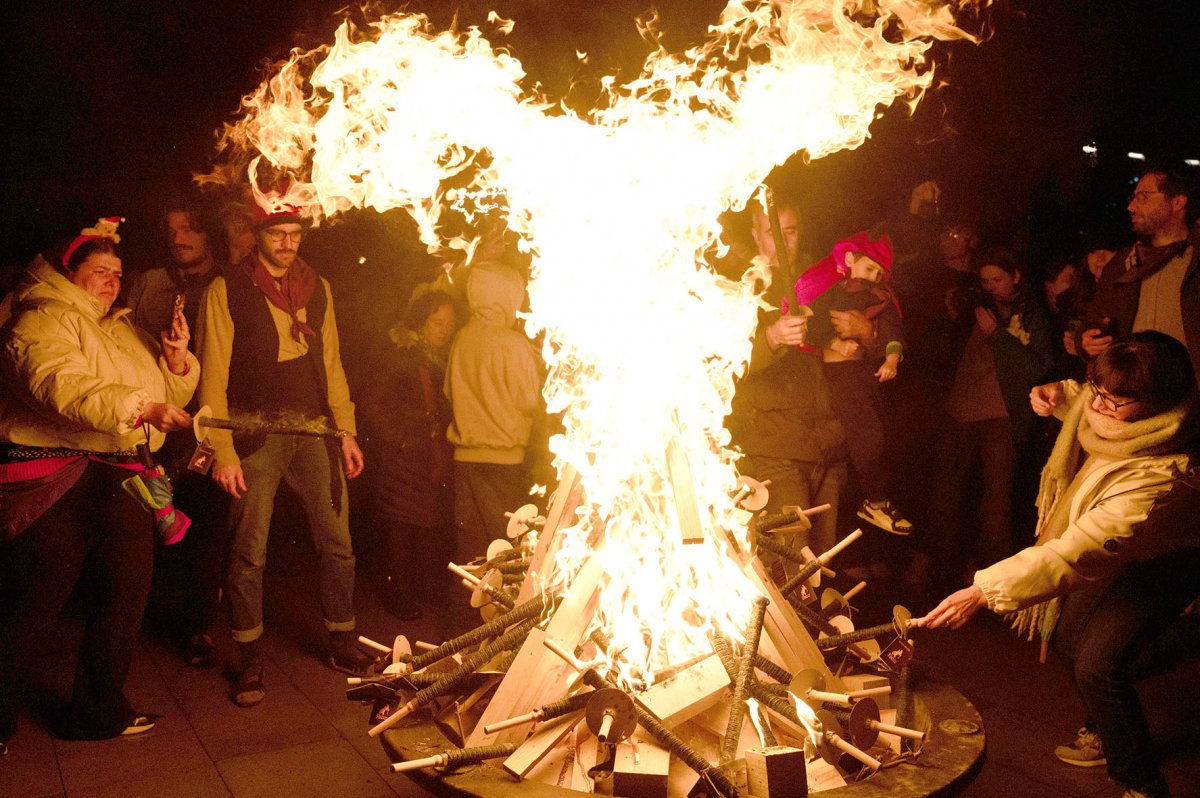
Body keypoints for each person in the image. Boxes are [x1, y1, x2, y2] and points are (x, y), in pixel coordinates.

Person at [913, 331, 1200, 798]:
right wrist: (1060, 394)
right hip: (1104, 544)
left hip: (1164, 556)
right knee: (1068, 637)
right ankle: (1109, 722)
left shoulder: (1165, 472)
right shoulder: (1118, 414)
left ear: (1159, 403)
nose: (1100, 407)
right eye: (1098, 392)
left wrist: (984, 590)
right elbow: (1090, 399)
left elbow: (1076, 551)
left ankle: (1142, 782)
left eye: (1116, 402)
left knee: (1099, 665)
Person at [0, 219, 197, 745]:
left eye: (117, 273)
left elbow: (156, 394)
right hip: (60, 474)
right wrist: (142, 406)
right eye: (99, 271)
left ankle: (96, 709)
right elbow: (62, 386)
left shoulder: (120, 326)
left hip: (122, 474)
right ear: (70, 274)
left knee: (128, 590)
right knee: (38, 602)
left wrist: (176, 362)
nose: (111, 282)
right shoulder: (39, 320)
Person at [196, 200, 373, 707]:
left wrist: (347, 432)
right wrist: (222, 450)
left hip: (315, 431)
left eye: (295, 234)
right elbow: (213, 374)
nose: (287, 243)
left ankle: (341, 639)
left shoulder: (318, 288)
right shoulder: (227, 288)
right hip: (254, 432)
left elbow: (332, 365)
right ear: (258, 236)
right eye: (278, 235)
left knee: (338, 540)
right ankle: (249, 655)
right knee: (248, 547)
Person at [123, 193, 229, 666]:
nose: (179, 239)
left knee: (205, 528)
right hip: (158, 426)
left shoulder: (227, 284)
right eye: (171, 231)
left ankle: (197, 628)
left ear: (208, 233)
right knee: (156, 521)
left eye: (188, 228)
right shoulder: (149, 283)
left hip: (207, 430)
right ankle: (147, 618)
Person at [916, 248, 1054, 589]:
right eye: (985, 280)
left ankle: (989, 576)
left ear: (1016, 277)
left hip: (1001, 416)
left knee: (996, 500)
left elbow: (1037, 367)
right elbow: (943, 349)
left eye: (998, 280)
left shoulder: (1033, 315)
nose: (991, 287)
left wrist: (997, 335)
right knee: (944, 491)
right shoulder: (974, 307)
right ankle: (933, 566)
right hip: (958, 410)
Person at [727, 196, 848, 555]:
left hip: (827, 450)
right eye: (771, 232)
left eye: (791, 231)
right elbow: (722, 365)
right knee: (791, 570)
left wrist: (865, 334)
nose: (783, 241)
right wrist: (770, 337)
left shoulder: (822, 281)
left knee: (820, 568)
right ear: (755, 234)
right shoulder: (738, 289)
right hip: (774, 452)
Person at [794, 230, 911, 534]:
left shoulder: (879, 295)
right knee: (867, 436)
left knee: (876, 436)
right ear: (849, 259)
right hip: (835, 378)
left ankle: (877, 500)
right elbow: (814, 323)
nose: (874, 277)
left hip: (860, 373)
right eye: (869, 269)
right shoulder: (831, 289)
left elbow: (891, 330)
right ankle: (875, 500)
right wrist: (835, 342)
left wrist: (890, 356)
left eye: (879, 272)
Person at [359, 288, 457, 620]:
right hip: (403, 453)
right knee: (401, 525)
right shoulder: (402, 355)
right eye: (437, 322)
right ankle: (399, 596)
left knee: (422, 523)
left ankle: (417, 590)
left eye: (449, 323)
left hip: (426, 452)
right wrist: (398, 437)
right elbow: (372, 402)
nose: (443, 330)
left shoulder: (438, 358)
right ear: (421, 321)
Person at [445, 239, 542, 565]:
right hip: (505, 463)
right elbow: (530, 401)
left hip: (465, 460)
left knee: (469, 549)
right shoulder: (514, 345)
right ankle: (499, 616)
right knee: (505, 549)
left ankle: (464, 613)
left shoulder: (462, 338)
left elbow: (449, 392)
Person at [1081, 164, 1199, 377]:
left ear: (1178, 202)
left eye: (1143, 197)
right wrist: (1087, 341)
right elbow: (1094, 317)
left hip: (1191, 394)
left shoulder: (1195, 259)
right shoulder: (1124, 263)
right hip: (1136, 395)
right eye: (1133, 197)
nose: (1131, 207)